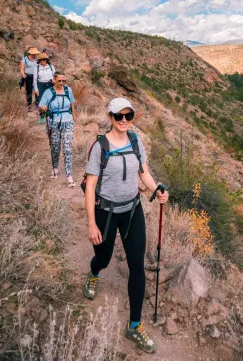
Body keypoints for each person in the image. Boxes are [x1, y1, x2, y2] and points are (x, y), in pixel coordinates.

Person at [83, 97, 169, 354]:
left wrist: (157, 191)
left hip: (133, 210)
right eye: (118, 116)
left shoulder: (135, 141)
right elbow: (89, 186)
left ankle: (134, 325)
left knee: (137, 266)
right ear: (110, 116)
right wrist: (91, 224)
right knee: (104, 258)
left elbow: (143, 172)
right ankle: (94, 273)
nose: (123, 121)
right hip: (105, 213)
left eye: (128, 116)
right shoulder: (100, 146)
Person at [38, 73, 77, 186]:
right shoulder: (48, 92)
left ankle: (69, 176)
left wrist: (74, 118)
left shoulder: (68, 90)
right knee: (55, 147)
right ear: (54, 80)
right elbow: (41, 107)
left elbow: (72, 104)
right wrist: (43, 108)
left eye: (64, 81)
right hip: (53, 122)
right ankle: (55, 168)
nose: (61, 83)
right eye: (59, 81)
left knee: (67, 149)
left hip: (68, 121)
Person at [20, 47, 40, 112]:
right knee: (29, 91)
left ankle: (37, 103)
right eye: (33, 53)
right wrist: (23, 74)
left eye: (35, 53)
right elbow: (22, 69)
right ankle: (29, 105)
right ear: (30, 53)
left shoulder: (37, 59)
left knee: (37, 89)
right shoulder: (25, 59)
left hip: (36, 76)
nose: (34, 55)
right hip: (28, 76)